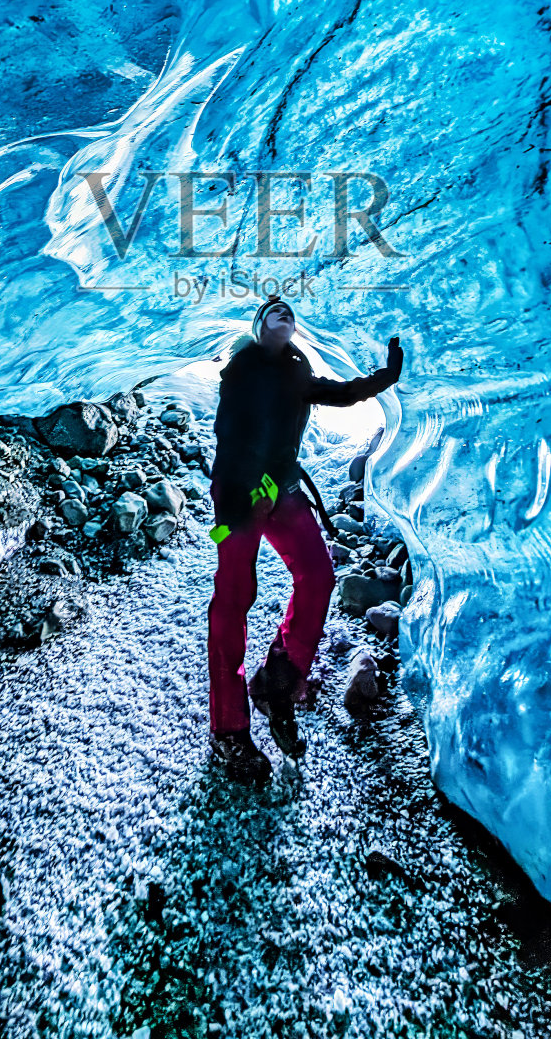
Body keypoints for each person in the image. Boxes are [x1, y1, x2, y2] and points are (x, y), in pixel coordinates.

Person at [206, 294, 403, 785]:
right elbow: (227, 437)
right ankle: (228, 729)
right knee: (233, 600)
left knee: (318, 575)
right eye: (273, 310)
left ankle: (277, 683)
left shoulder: (297, 369)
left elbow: (343, 393)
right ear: (257, 327)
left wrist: (388, 377)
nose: (284, 311)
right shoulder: (242, 369)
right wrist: (231, 505)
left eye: (289, 310)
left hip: (283, 489)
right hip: (244, 495)